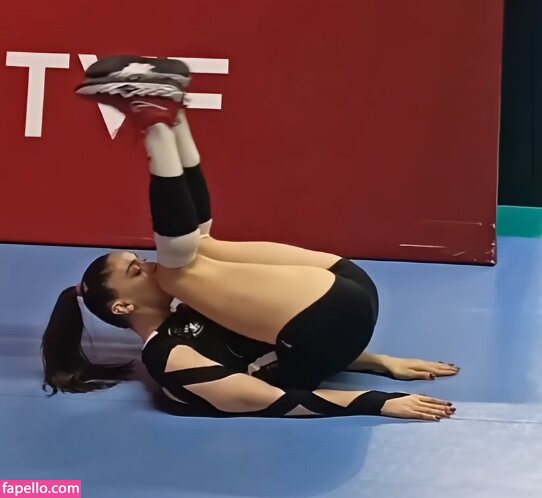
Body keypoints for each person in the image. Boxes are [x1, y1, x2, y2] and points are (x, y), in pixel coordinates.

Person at [41, 55, 458, 420]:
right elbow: (273, 400)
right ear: (123, 306)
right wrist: (378, 402)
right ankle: (156, 122)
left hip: (343, 297)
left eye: (142, 260)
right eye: (136, 270)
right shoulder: (167, 357)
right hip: (329, 317)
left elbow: (272, 335)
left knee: (200, 246)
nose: (148, 264)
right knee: (180, 269)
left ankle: (171, 115)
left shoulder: (196, 305)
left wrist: (382, 362)